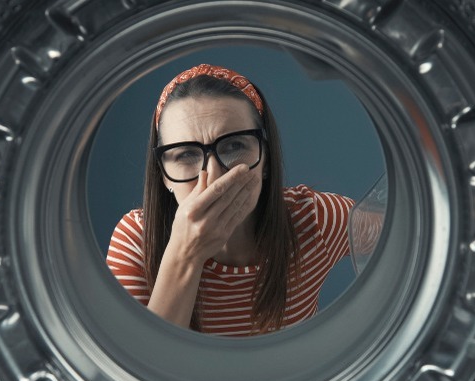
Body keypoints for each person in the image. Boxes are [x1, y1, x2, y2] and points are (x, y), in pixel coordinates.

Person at [107, 64, 381, 336]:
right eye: (186, 155)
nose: (213, 177)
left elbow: (411, 241)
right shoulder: (136, 241)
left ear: (265, 159)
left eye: (234, 146)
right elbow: (137, 373)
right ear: (163, 176)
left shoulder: (314, 220)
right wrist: (186, 254)